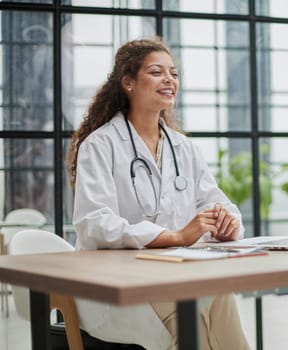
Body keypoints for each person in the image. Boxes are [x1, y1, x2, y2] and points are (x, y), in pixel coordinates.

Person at [66, 38, 250, 349]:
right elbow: (94, 223)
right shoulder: (100, 145)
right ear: (128, 82)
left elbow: (214, 200)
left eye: (174, 74)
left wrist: (226, 220)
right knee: (193, 328)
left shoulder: (183, 147)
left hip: (172, 274)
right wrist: (173, 237)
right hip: (117, 285)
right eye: (157, 72)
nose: (169, 80)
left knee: (219, 294)